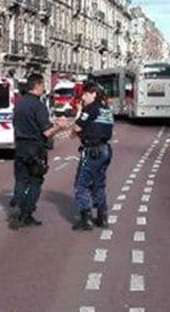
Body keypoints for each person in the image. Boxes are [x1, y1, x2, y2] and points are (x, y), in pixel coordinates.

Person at [9, 73, 69, 229]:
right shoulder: (38, 105)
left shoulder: (19, 104)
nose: (44, 88)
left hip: (20, 146)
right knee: (36, 181)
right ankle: (26, 214)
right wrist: (59, 127)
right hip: (35, 148)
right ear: (37, 86)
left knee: (21, 180)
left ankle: (18, 202)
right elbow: (46, 132)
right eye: (43, 85)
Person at [70, 81, 114, 231]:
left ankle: (85, 218)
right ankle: (102, 217)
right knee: (98, 183)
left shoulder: (91, 108)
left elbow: (76, 127)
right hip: (105, 149)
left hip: (92, 150)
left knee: (81, 185)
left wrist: (80, 111)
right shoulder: (106, 108)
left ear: (93, 94)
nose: (83, 97)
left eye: (85, 94)